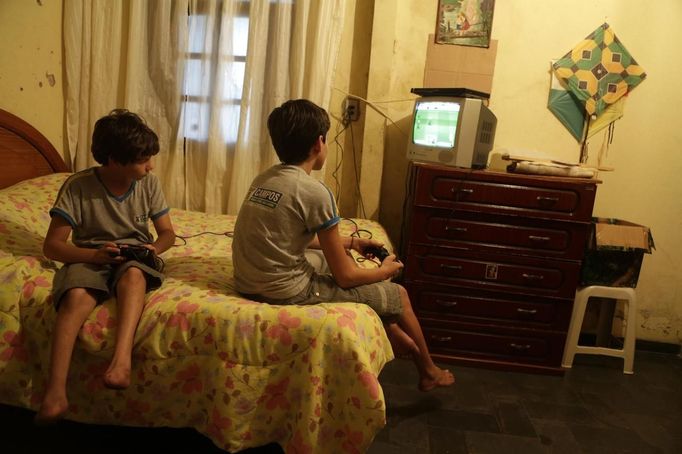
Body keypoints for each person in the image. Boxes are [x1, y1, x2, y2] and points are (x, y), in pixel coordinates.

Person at [232, 99, 454, 392]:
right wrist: (385, 271)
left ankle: (394, 330)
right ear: (319, 143)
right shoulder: (316, 192)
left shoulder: (265, 178)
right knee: (398, 293)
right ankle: (428, 370)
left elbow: (288, 235)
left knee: (324, 261)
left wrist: (350, 241)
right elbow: (346, 277)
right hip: (284, 291)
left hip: (248, 280)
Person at [35, 109, 176, 424]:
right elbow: (53, 246)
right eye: (143, 160)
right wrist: (95, 257)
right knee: (76, 296)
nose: (150, 166)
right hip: (91, 254)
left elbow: (168, 233)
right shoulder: (78, 187)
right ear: (114, 159)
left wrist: (152, 248)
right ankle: (55, 393)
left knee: (136, 275)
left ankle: (121, 361)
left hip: (135, 255)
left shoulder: (148, 184)